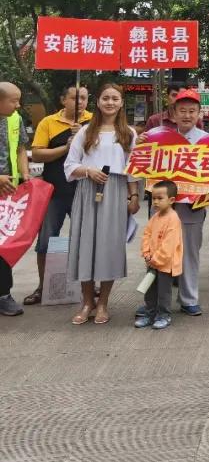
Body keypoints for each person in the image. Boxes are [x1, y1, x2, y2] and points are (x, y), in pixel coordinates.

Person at [63, 83, 139, 325]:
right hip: (87, 190)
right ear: (98, 102)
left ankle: (104, 302)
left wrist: (134, 196)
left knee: (108, 247)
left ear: (121, 102)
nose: (110, 102)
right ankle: (87, 302)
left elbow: (133, 170)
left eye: (115, 98)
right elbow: (69, 165)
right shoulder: (86, 131)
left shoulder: (128, 133)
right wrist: (88, 171)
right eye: (105, 98)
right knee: (85, 245)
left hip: (115, 192)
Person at [23, 83, 91, 307]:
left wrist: (82, 136)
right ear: (63, 100)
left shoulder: (95, 121)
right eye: (75, 98)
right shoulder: (48, 122)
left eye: (84, 98)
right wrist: (67, 146)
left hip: (84, 190)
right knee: (45, 241)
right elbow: (39, 154)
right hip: (54, 192)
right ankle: (43, 287)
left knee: (87, 240)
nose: (80, 102)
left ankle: (90, 287)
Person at [156, 89, 209, 316]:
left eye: (192, 111)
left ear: (199, 113)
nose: (187, 115)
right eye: (182, 111)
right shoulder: (161, 138)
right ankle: (159, 302)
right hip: (164, 208)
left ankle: (188, 299)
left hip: (192, 207)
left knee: (189, 254)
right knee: (161, 255)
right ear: (173, 114)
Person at [0, 82, 30, 317]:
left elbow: (20, 149)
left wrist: (25, 174)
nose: (18, 104)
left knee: (5, 245)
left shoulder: (15, 119)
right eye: (13, 100)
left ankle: (3, 294)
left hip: (9, 193)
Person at [136, 180, 183, 329]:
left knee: (163, 292)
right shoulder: (155, 217)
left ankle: (164, 315)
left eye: (159, 198)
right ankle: (150, 314)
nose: (155, 202)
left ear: (171, 200)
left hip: (164, 264)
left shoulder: (173, 219)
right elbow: (146, 235)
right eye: (154, 198)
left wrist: (155, 259)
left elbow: (169, 245)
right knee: (150, 292)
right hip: (152, 262)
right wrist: (146, 253)